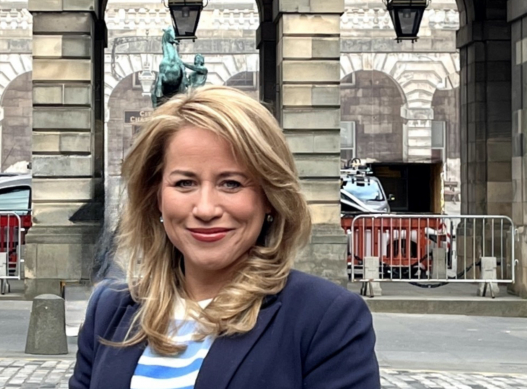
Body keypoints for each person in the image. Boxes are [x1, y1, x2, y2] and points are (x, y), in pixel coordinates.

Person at [70, 86, 379, 389]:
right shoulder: (108, 309)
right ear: (156, 196)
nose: (205, 209)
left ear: (270, 197)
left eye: (231, 184)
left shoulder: (325, 318)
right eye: (185, 183)